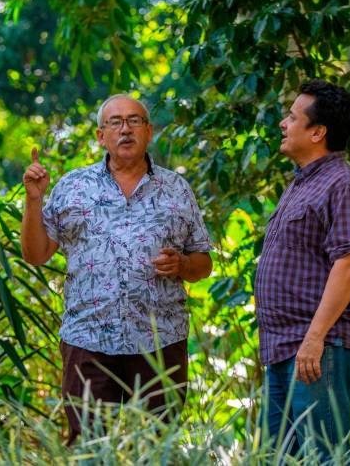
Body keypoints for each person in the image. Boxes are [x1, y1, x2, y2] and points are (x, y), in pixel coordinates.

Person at [21, 94, 212, 443]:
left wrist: (182, 264)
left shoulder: (176, 189)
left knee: (157, 450)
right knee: (90, 449)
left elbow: (203, 263)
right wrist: (34, 200)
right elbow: (36, 254)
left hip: (160, 342)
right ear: (100, 136)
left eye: (134, 121)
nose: (125, 129)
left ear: (148, 131)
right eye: (115, 122)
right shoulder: (73, 187)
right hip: (88, 341)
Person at [254, 79, 350, 459]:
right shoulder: (303, 184)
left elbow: (349, 265)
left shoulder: (344, 185)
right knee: (275, 457)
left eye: (293, 117)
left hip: (322, 345)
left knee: (325, 457)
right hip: (286, 345)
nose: (283, 123)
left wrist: (314, 338)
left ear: (317, 132)